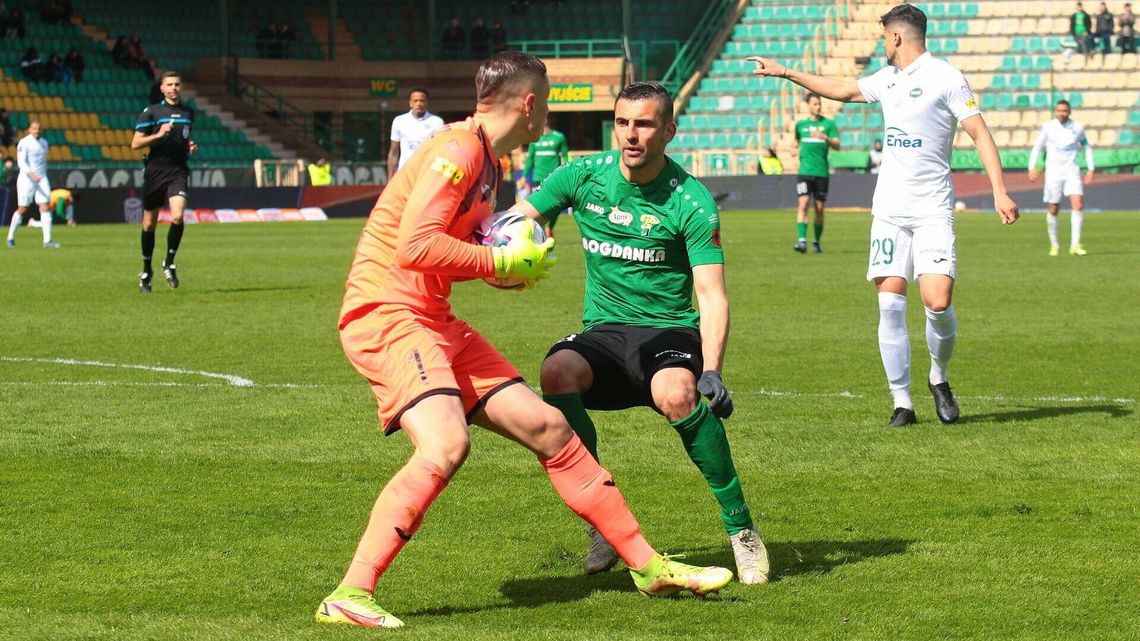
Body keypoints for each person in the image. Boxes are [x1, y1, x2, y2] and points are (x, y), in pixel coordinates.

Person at [315, 52, 734, 630]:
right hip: (388, 315)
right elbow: (414, 248)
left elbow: (456, 250)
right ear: (531, 105)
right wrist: (498, 259)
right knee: (444, 446)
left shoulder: (487, 159)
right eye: (548, 99)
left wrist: (497, 269)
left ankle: (647, 565)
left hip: (432, 316)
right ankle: (350, 593)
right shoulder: (457, 151)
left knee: (550, 428)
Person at [508, 81, 771, 586]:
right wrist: (492, 251)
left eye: (645, 124)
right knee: (557, 371)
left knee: (676, 394)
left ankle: (741, 529)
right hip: (604, 331)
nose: (631, 135)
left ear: (668, 130)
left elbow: (711, 295)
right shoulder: (581, 176)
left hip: (668, 330)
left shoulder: (691, 201)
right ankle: (603, 522)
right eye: (623, 122)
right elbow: (519, 220)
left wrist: (712, 369)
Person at [748, 3, 1020, 427]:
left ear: (896, 37)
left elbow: (980, 133)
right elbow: (841, 89)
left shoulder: (945, 77)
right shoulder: (887, 79)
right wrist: (786, 72)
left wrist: (999, 190)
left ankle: (938, 377)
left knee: (938, 301)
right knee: (890, 305)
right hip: (890, 211)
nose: (880, 42)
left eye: (882, 36)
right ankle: (902, 402)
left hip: (932, 208)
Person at [131, 70, 197, 293]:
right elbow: (135, 143)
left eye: (177, 84)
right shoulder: (151, 112)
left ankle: (169, 263)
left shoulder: (188, 112)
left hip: (178, 170)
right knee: (149, 224)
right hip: (155, 171)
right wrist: (158, 135)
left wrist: (189, 146)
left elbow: (185, 136)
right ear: (162, 88)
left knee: (178, 215)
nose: (174, 88)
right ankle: (146, 271)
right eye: (169, 84)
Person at [1028, 99, 1093, 256]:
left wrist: (1091, 168)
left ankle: (1075, 245)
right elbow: (1037, 147)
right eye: (1059, 110)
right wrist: (1031, 167)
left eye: (1064, 110)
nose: (1062, 113)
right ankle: (1054, 244)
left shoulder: (1077, 128)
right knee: (1054, 208)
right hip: (1053, 173)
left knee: (1077, 205)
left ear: (1069, 112)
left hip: (1072, 171)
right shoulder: (1049, 127)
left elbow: (1086, 146)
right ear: (1056, 112)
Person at [792, 92, 839, 254]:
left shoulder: (828, 124)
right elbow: (795, 141)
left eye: (819, 104)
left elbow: (837, 145)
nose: (818, 107)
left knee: (819, 209)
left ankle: (816, 242)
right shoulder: (800, 125)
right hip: (804, 172)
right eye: (815, 104)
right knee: (803, 204)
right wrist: (793, 149)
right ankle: (802, 241)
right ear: (808, 105)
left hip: (821, 173)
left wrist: (825, 137)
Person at [6, 121, 59, 248]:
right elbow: (21, 163)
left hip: (41, 178)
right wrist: (31, 174)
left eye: (39, 129)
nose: (37, 131)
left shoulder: (44, 143)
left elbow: (43, 162)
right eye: (34, 129)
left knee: (45, 206)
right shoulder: (24, 143)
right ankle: (10, 237)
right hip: (26, 179)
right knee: (23, 208)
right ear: (29, 130)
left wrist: (42, 175)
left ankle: (47, 240)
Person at [523, 116, 569, 235]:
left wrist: (565, 170)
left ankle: (550, 227)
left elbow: (565, 155)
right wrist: (524, 176)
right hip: (538, 177)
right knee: (538, 208)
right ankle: (542, 234)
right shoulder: (535, 139)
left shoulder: (559, 137)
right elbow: (530, 159)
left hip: (554, 176)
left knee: (556, 207)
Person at [387, 88, 444, 179]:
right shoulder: (399, 121)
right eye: (415, 101)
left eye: (422, 101)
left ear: (426, 103)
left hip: (426, 175)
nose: (419, 104)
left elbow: (442, 152)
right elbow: (393, 153)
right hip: (404, 174)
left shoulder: (437, 122)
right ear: (410, 103)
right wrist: (390, 179)